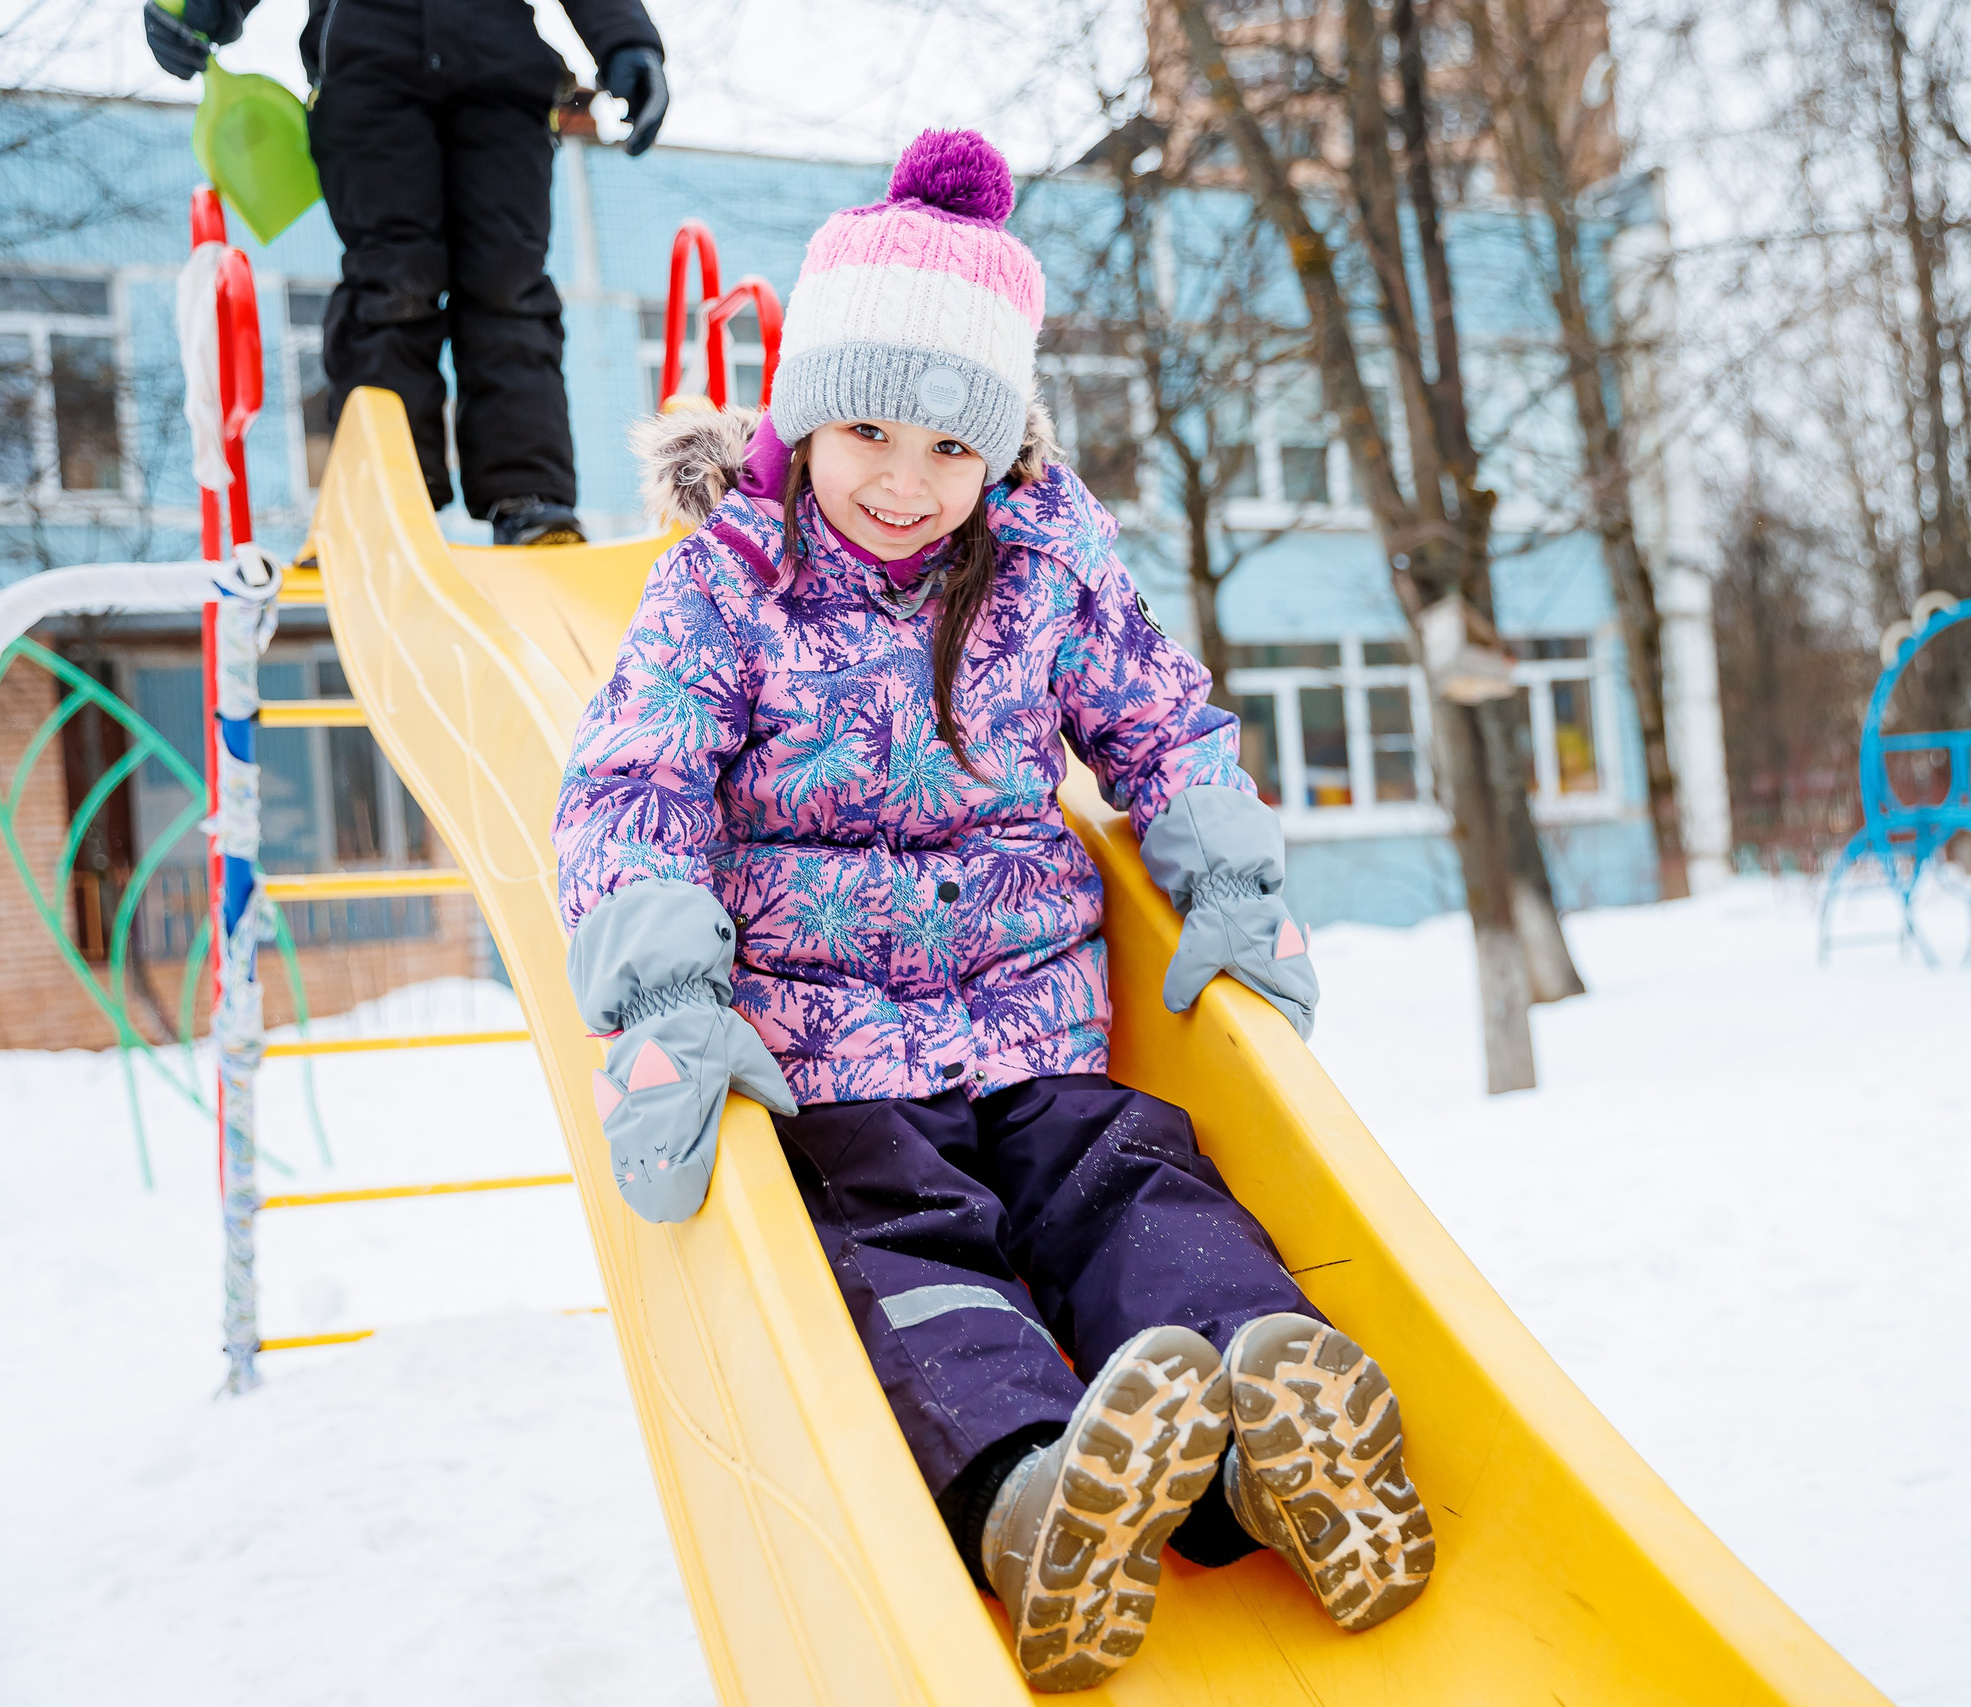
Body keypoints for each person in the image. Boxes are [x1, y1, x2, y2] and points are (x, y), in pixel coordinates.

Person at [548, 131, 1433, 1691]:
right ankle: (1035, 1497)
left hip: (1033, 1015)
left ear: (1002, 447)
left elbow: (1160, 718)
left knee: (1135, 1180)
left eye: (953, 447)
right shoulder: (723, 585)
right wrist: (673, 999)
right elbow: (635, 785)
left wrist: (1227, 876)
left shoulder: (1043, 561)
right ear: (808, 412)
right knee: (911, 1246)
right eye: (870, 430)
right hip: (828, 1052)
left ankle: (1265, 1443)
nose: (905, 481)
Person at [145, 0, 670, 545]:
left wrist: (625, 38)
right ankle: (388, 489)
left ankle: (528, 497)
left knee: (507, 282)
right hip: (369, 67)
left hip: (500, 71)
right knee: (392, 283)